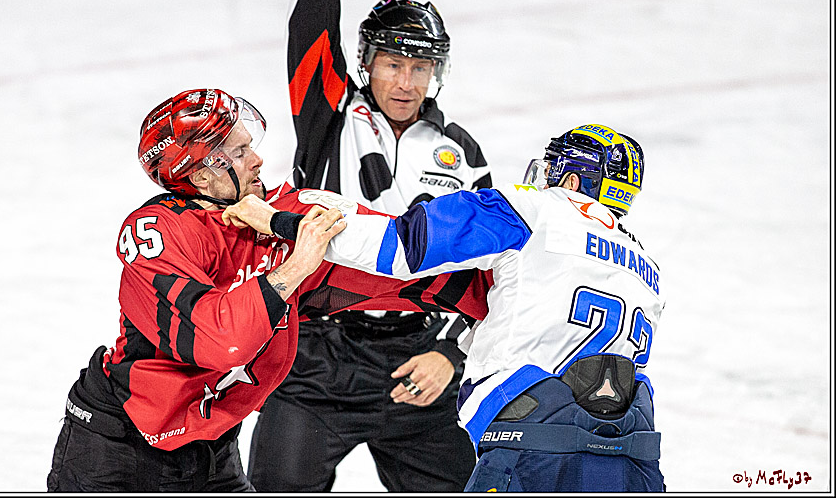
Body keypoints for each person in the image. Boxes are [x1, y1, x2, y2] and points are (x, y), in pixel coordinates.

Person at [45, 88, 492, 493]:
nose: (257, 159)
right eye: (239, 151)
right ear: (201, 176)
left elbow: (388, 252)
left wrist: (495, 275)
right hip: (118, 441)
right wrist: (297, 264)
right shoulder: (156, 232)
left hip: (210, 443)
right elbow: (223, 339)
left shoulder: (277, 209)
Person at [228, 123, 666, 492]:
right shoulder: (646, 267)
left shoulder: (531, 210)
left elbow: (399, 248)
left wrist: (276, 221)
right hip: (634, 459)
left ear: (570, 181)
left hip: (536, 451)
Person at [247, 0, 490, 492]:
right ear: (368, 61)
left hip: (415, 365)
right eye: (393, 63)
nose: (406, 80)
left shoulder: (463, 154)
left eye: (419, 66)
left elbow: (482, 272)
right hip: (316, 360)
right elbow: (310, 30)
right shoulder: (329, 110)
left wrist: (445, 349)